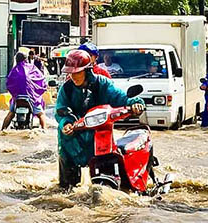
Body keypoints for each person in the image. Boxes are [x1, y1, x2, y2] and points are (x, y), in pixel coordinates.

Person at [55, 50, 145, 189]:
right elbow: (60, 110)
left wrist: (135, 103)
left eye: (77, 72)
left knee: (106, 175)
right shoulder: (66, 89)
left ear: (87, 70)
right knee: (66, 188)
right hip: (72, 136)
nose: (74, 77)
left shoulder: (102, 84)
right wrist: (65, 123)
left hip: (98, 134)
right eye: (71, 73)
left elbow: (120, 98)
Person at [2, 51, 49, 130]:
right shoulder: (32, 67)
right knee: (41, 114)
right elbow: (41, 79)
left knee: (11, 113)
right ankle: (44, 130)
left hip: (17, 98)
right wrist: (43, 87)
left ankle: (3, 129)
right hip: (32, 97)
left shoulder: (14, 70)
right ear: (26, 59)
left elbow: (8, 83)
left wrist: (14, 93)